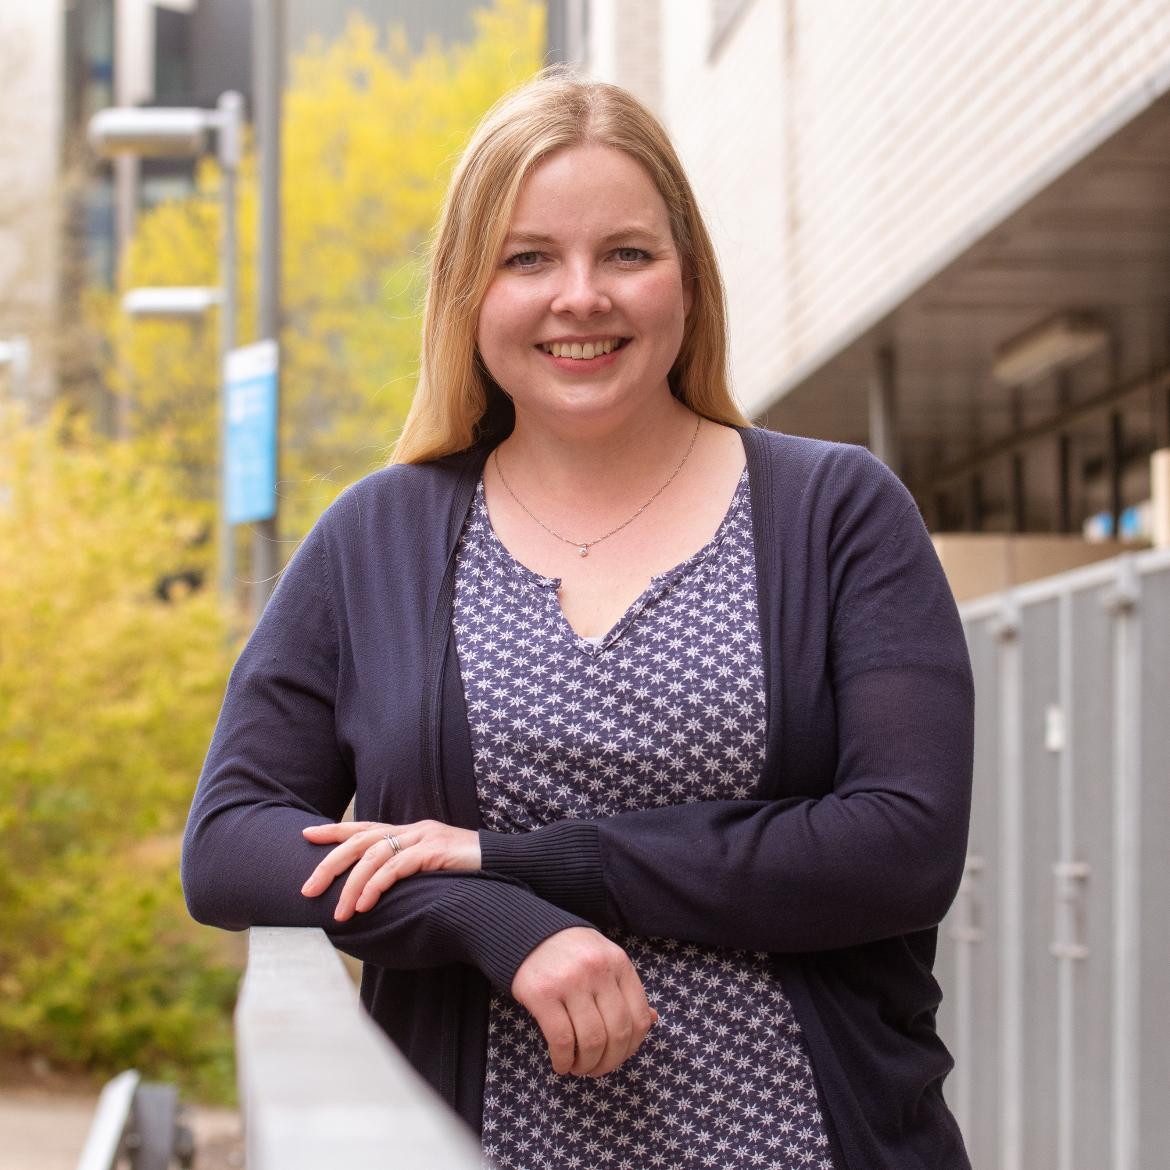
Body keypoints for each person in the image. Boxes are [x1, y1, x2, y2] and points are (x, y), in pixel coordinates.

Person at [182, 69, 974, 1170]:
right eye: (529, 258)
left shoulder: (834, 512)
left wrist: (527, 861)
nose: (582, 296)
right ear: (469, 291)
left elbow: (898, 847)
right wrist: (490, 917)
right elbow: (229, 844)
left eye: (628, 254)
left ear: (687, 280)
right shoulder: (380, 538)